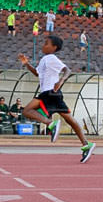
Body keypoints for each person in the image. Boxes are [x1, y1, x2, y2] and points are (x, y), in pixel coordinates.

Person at [18, 35, 95, 163]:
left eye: (47, 43)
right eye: (44, 43)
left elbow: (67, 70)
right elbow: (37, 73)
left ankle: (50, 123)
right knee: (69, 119)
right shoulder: (45, 59)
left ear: (54, 47)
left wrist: (61, 81)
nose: (44, 45)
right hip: (51, 93)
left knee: (27, 111)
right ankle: (86, 144)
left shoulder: (51, 58)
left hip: (49, 93)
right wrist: (26, 64)